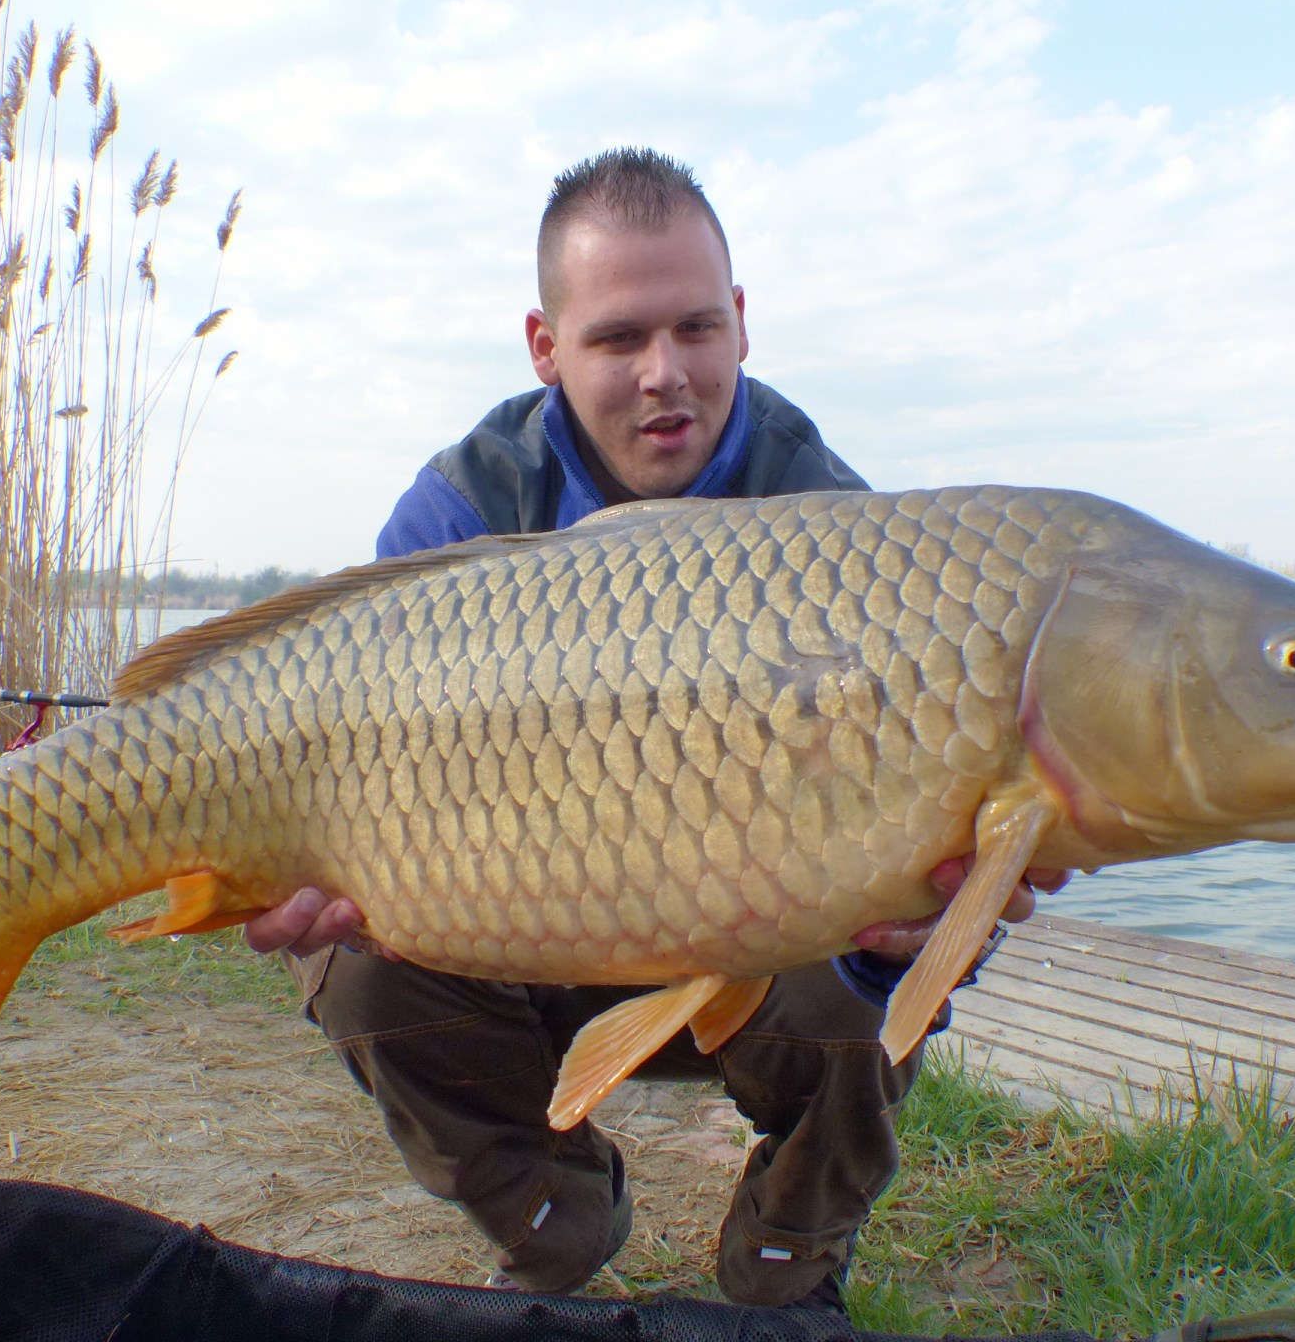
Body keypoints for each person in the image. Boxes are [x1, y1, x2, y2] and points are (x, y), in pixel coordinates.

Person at [244, 148, 1068, 1316]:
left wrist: (911, 927)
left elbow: (951, 869)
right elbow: (349, 753)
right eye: (619, 339)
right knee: (350, 964)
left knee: (870, 996)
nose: (664, 375)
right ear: (545, 348)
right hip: (523, 943)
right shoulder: (463, 508)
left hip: (744, 958)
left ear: (740, 322)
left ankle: (789, 1255)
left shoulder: (842, 529)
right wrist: (308, 872)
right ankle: (555, 1219)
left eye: (695, 329)